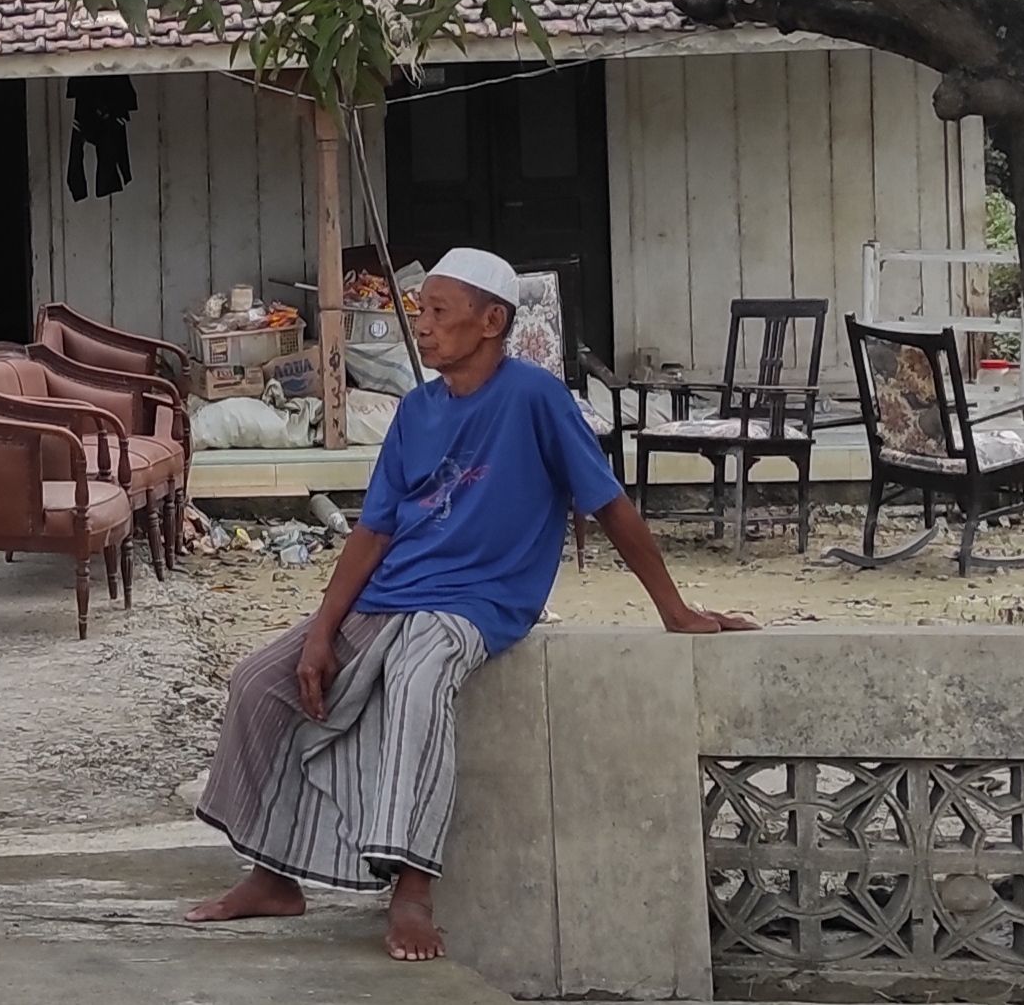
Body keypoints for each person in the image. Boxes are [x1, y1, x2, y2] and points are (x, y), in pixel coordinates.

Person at [185, 247, 754, 961]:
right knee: (259, 682)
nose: (421, 327)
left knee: (418, 681)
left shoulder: (534, 397)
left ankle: (412, 890)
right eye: (420, 312)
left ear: (491, 321)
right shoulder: (415, 410)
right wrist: (320, 629)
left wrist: (673, 609)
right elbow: (372, 531)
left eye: (438, 313)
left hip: (478, 602)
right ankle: (272, 877)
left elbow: (609, 504)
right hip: (390, 594)